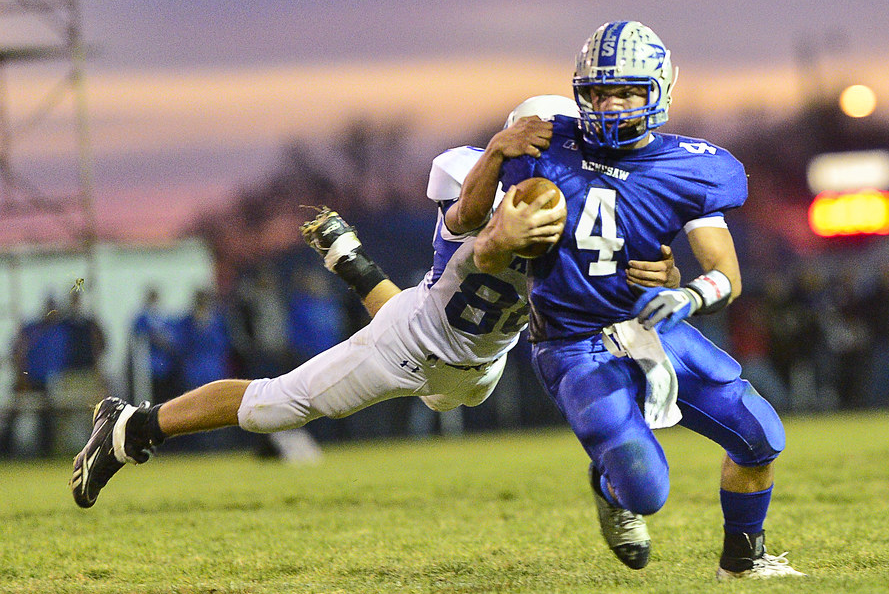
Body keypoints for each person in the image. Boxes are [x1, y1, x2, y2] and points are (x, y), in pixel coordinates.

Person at [69, 95, 676, 509]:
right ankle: (130, 426)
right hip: (409, 346)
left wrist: (660, 270)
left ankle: (354, 266)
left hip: (480, 368)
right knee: (276, 405)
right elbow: (477, 228)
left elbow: (621, 278)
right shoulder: (471, 180)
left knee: (475, 374)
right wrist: (498, 154)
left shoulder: (587, 210)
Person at [453, 21, 804, 579]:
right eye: (595, 92)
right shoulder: (544, 147)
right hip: (572, 346)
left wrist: (686, 295)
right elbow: (465, 225)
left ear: (658, 89)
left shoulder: (693, 167)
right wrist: (495, 153)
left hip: (651, 329)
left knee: (760, 434)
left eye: (624, 91)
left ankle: (743, 561)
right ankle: (609, 486)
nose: (607, 104)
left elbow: (726, 275)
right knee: (645, 491)